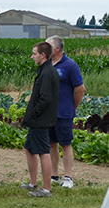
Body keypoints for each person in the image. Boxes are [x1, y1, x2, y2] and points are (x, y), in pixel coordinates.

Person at [21, 42, 59, 198]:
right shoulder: (45, 70)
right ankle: (33, 182)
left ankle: (47, 189)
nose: (32, 56)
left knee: (44, 151)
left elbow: (45, 98)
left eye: (34, 53)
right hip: (37, 120)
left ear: (43, 55)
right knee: (29, 148)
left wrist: (35, 114)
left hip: (41, 120)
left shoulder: (46, 73)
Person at [46, 36, 85, 189]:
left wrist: (72, 106)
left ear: (57, 48)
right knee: (51, 144)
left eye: (48, 46)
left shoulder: (70, 65)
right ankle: (54, 175)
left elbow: (80, 89)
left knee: (65, 144)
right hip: (49, 113)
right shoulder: (47, 64)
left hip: (64, 112)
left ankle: (68, 177)